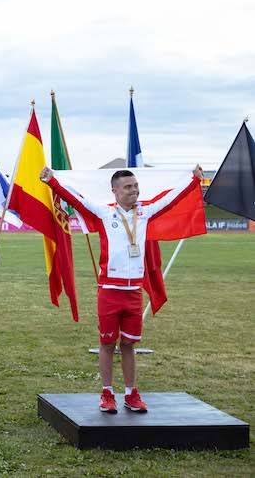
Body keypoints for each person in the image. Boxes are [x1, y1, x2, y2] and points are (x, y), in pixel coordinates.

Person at [40, 165, 202, 413]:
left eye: (135, 186)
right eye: (128, 187)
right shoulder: (105, 214)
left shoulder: (145, 213)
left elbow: (171, 199)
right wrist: (52, 181)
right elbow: (77, 200)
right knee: (106, 344)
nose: (134, 190)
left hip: (134, 292)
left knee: (129, 344)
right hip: (109, 290)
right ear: (114, 191)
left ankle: (131, 393)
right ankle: (107, 393)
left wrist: (193, 180)